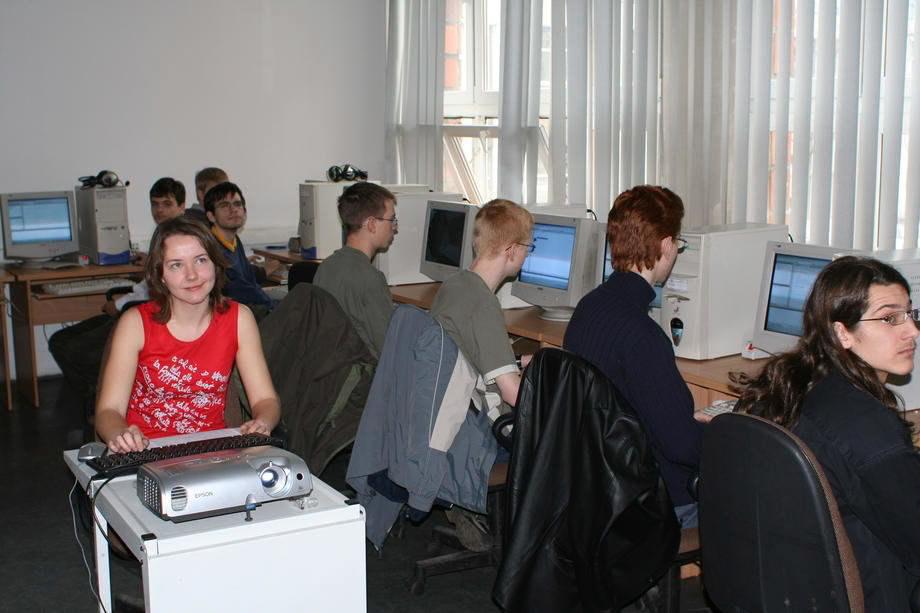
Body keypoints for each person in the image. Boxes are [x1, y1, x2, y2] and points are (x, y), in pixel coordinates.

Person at [735, 256, 920, 611]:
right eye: (889, 318)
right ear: (842, 333)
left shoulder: (798, 387)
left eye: (910, 314)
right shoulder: (866, 426)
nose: (912, 330)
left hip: (796, 589)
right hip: (872, 593)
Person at [563, 185, 702, 528]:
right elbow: (681, 447)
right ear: (666, 245)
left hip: (597, 491)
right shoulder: (643, 337)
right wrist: (733, 438)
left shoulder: (588, 308)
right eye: (678, 243)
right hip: (653, 502)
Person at [95, 216, 280, 452]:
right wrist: (119, 433)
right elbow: (108, 411)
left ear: (215, 264)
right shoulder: (135, 323)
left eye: (201, 260)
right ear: (160, 275)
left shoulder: (239, 318)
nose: (192, 275)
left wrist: (263, 422)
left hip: (213, 450)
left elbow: (266, 400)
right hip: (146, 450)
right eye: (176, 265)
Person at [49, 177, 189, 409]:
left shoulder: (181, 240)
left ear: (182, 206)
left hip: (150, 316)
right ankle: (99, 399)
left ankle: (102, 403)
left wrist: (118, 305)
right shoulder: (163, 235)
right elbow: (152, 280)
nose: (159, 210)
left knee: (71, 349)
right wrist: (148, 263)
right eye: (155, 204)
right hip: (139, 307)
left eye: (167, 204)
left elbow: (153, 290)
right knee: (60, 339)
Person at [429, 199, 533, 418]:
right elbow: (513, 394)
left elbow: (471, 353)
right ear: (512, 251)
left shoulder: (453, 284)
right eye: (528, 248)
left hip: (449, 404)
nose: (527, 255)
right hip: (481, 423)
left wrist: (520, 361)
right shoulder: (484, 304)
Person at [313, 182, 397, 359]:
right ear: (372, 224)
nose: (395, 227)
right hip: (363, 372)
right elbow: (389, 347)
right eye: (392, 220)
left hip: (330, 368)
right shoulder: (370, 278)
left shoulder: (327, 266)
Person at [203, 181, 277, 314]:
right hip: (240, 314)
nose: (233, 209)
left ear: (244, 211)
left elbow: (249, 279)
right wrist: (273, 308)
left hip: (254, 307)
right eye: (224, 205)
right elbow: (240, 291)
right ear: (211, 216)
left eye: (237, 204)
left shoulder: (233, 240)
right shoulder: (211, 249)